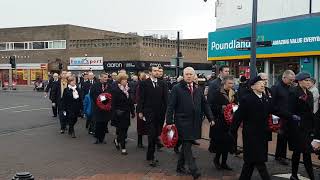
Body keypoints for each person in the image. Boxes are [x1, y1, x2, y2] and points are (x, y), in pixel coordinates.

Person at [231, 76, 296, 180]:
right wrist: (232, 133)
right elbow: (238, 117)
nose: (263, 84)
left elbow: (276, 110)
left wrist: (290, 116)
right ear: (252, 86)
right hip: (251, 136)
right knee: (259, 162)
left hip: (262, 135)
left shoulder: (265, 98)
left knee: (249, 164)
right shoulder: (247, 99)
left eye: (263, 82)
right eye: (259, 83)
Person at [166, 67, 215, 180]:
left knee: (186, 143)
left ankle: (180, 166)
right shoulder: (176, 88)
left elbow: (205, 104)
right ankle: (194, 170)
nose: (188, 76)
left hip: (195, 121)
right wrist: (169, 121)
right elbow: (171, 106)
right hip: (182, 121)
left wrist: (210, 118)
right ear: (183, 75)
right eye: (186, 74)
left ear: (194, 76)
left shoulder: (198, 89)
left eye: (190, 74)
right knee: (187, 145)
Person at [137, 66, 167, 167]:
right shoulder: (144, 83)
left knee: (156, 135)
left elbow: (165, 99)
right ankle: (152, 157)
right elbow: (141, 98)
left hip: (159, 114)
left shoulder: (162, 83)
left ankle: (149, 155)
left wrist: (167, 112)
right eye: (154, 71)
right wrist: (140, 111)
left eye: (158, 71)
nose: (157, 72)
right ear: (150, 72)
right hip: (149, 113)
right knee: (152, 135)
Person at [287, 72, 315, 180]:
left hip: (307, 127)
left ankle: (298, 175)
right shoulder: (293, 92)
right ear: (299, 81)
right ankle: (295, 175)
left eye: (309, 80)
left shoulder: (310, 93)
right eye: (306, 80)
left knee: (306, 152)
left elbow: (311, 111)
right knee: (298, 152)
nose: (308, 82)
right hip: (297, 128)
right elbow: (290, 111)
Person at [209, 75, 236, 171]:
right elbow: (211, 106)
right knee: (221, 143)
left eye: (232, 83)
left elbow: (236, 105)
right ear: (224, 83)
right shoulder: (217, 93)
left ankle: (224, 163)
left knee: (227, 143)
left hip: (230, 122)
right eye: (229, 83)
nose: (231, 85)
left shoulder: (233, 93)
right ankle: (216, 160)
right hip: (220, 122)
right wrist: (222, 108)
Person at [271, 70, 295, 166]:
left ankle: (280, 155)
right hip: (280, 116)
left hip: (290, 116)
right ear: (284, 78)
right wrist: (278, 113)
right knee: (282, 137)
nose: (292, 81)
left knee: (286, 136)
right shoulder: (276, 88)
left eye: (293, 80)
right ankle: (281, 156)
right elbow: (272, 103)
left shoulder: (292, 88)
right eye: (290, 80)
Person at [111, 73, 135, 155]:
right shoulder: (116, 90)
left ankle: (117, 140)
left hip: (126, 113)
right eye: (123, 80)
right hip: (119, 113)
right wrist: (115, 112)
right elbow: (113, 103)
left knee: (125, 129)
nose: (125, 81)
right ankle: (123, 147)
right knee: (122, 131)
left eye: (126, 79)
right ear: (120, 81)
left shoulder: (129, 89)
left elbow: (131, 102)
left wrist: (133, 112)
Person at [90, 73, 113, 144]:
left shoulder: (109, 86)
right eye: (105, 77)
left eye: (107, 77)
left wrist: (106, 103)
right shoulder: (95, 85)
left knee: (104, 123)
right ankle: (97, 137)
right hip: (98, 108)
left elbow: (110, 95)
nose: (106, 79)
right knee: (98, 123)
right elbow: (93, 95)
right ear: (100, 77)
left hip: (106, 108)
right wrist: (100, 102)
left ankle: (102, 138)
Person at [136, 72, 148, 148]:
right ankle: (139, 142)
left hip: (148, 109)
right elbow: (138, 99)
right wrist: (140, 111)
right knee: (141, 126)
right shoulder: (139, 87)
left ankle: (155, 141)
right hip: (141, 109)